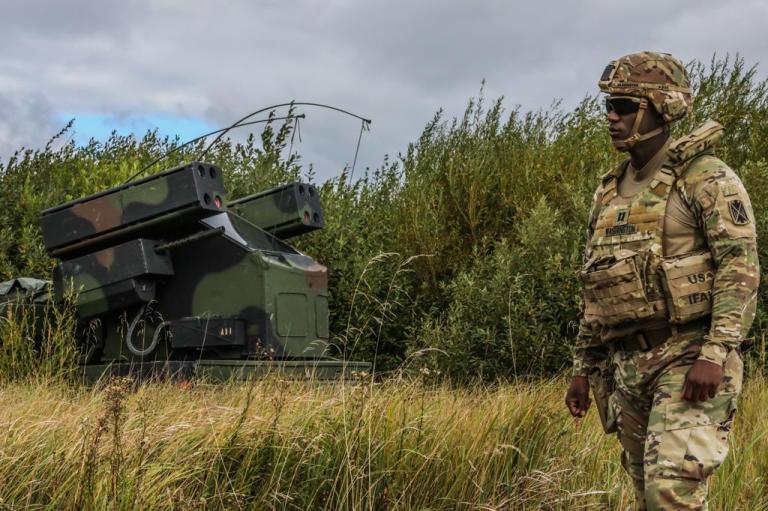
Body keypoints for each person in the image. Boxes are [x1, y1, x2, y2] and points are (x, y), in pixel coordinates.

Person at [565, 51, 759, 510]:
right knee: (645, 497)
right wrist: (583, 368)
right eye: (609, 106)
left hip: (688, 357)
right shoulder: (608, 192)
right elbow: (597, 287)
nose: (611, 116)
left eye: (624, 106)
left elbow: (740, 267)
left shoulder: (705, 178)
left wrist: (715, 352)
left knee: (670, 495)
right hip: (629, 367)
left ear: (662, 107)